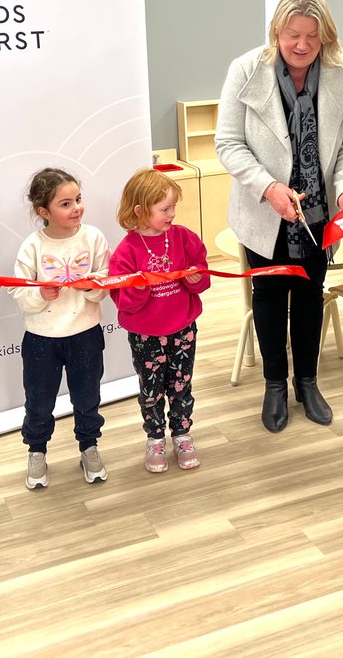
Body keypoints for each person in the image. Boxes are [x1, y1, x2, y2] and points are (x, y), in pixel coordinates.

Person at [215, 0, 343, 433]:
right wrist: (268, 187)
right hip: (264, 210)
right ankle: (275, 384)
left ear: (327, 37)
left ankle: (308, 382)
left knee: (309, 294)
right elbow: (228, 142)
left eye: (312, 37)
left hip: (319, 214)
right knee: (268, 296)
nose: (301, 46)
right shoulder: (246, 70)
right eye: (291, 35)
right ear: (276, 33)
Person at [11, 168, 111, 490]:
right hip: (42, 338)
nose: (76, 208)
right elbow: (19, 294)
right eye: (65, 204)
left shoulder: (94, 237)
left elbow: (105, 283)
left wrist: (90, 287)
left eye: (78, 200)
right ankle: (37, 451)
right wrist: (40, 293)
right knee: (39, 402)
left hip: (85, 334)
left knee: (87, 396)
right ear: (44, 212)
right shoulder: (32, 247)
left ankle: (89, 447)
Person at [110, 169, 209, 472]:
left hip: (183, 329)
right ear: (140, 211)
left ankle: (181, 433)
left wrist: (194, 279)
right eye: (165, 209)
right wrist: (138, 290)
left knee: (181, 383)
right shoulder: (126, 252)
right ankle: (155, 438)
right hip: (146, 334)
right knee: (151, 389)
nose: (172, 214)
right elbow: (121, 301)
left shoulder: (183, 237)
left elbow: (202, 276)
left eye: (173, 207)